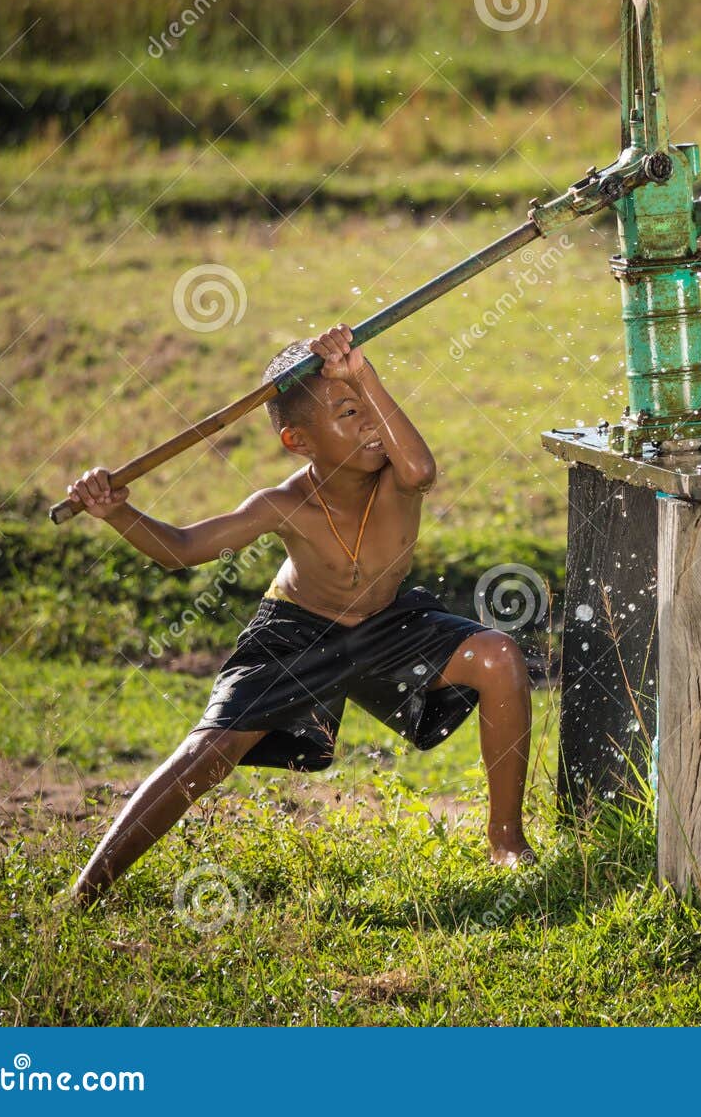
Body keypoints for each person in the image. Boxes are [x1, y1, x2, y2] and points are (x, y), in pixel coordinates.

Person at [64, 324, 533, 905]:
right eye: (346, 412)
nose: (369, 425)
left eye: (370, 406)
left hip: (387, 623)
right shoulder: (284, 504)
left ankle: (505, 839)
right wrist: (116, 512)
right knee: (208, 752)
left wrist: (360, 374)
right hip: (297, 633)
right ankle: (86, 890)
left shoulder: (396, 479)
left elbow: (422, 472)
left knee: (498, 654)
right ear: (298, 440)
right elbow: (181, 549)